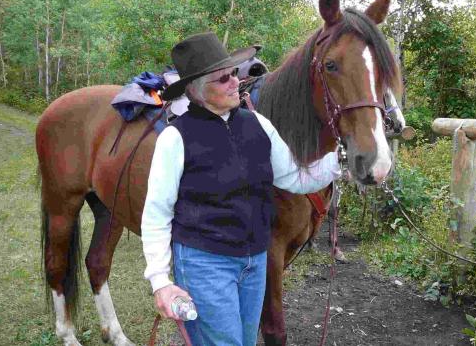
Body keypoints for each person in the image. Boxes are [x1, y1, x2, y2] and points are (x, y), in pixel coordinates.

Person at [141, 32, 341, 346]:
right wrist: (159, 281)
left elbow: (294, 177)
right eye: (223, 79)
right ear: (197, 91)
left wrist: (340, 160)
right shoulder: (175, 138)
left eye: (234, 73)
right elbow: (157, 212)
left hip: (255, 261)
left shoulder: (257, 124)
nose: (235, 81)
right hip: (203, 262)